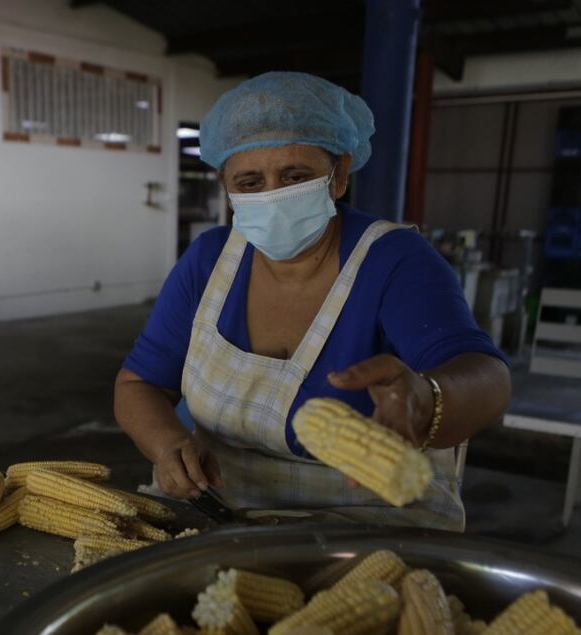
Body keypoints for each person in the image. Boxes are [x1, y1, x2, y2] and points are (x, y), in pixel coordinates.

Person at [114, 72, 511, 531]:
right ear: (226, 186)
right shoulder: (208, 261)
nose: (273, 196)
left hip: (368, 521)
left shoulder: (394, 261)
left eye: (294, 175)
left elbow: (488, 377)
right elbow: (138, 384)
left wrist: (428, 398)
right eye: (250, 182)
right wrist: (169, 447)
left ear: (338, 175)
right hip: (219, 511)